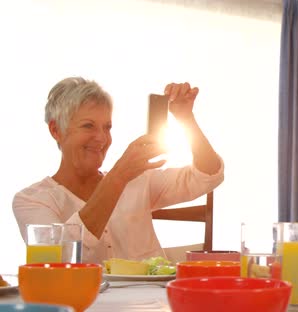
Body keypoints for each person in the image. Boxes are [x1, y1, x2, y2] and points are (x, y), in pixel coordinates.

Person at [13, 77, 224, 264]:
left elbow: (208, 175)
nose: (102, 138)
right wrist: (118, 176)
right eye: (88, 126)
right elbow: (60, 260)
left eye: (107, 127)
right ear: (55, 130)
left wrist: (186, 119)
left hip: (151, 305)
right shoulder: (32, 201)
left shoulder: (139, 181)